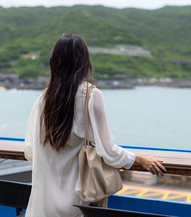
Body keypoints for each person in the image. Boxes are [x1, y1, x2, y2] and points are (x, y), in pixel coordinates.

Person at [24, 33, 166, 217]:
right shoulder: (91, 96)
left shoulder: (43, 97)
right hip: (75, 205)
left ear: (54, 62)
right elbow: (107, 151)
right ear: (84, 61)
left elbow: (30, 150)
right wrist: (141, 160)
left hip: (41, 205)